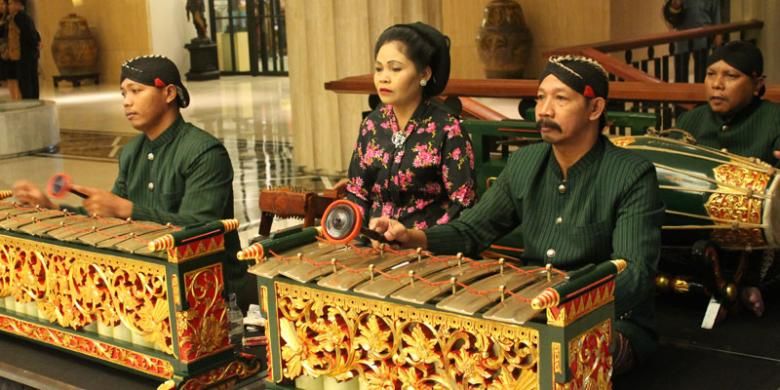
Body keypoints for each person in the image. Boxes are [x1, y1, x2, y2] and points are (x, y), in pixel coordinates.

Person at [369, 55, 664, 374]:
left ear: (594, 109)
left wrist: (568, 301)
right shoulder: (525, 162)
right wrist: (412, 237)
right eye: (540, 98)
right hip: (529, 311)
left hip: (608, 320)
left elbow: (635, 272)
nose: (544, 110)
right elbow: (472, 231)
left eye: (561, 98)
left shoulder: (632, 174)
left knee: (549, 361)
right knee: (439, 345)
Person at [11, 55, 249, 301]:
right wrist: (53, 209)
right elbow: (109, 221)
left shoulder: (204, 152)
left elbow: (201, 230)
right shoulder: (132, 152)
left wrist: (127, 209)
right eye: (123, 94)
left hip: (208, 290)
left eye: (136, 91)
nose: (127, 102)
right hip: (147, 284)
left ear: (168, 94)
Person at [676, 40, 780, 317]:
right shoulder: (692, 121)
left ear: (758, 83)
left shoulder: (774, 118)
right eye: (711, 74)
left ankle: (751, 284)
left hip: (756, 237)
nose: (717, 84)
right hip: (696, 230)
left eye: (731, 76)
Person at [346, 22, 476, 231]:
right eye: (379, 68)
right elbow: (356, 192)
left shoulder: (448, 129)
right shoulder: (371, 125)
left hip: (426, 249)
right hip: (373, 244)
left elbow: (463, 203)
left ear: (424, 74)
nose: (383, 77)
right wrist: (360, 231)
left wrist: (418, 238)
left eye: (395, 68)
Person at [663, 0, 721, 82]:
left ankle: (700, 92)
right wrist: (675, 6)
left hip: (703, 36)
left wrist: (718, 41)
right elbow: (668, 13)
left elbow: (716, 16)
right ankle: (681, 92)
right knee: (681, 72)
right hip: (682, 36)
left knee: (701, 71)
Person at [6, 0, 39, 99]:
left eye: (11, 3)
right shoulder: (26, 16)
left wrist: (34, 44)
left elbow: (28, 34)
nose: (9, 6)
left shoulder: (19, 17)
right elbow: (35, 34)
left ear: (18, 4)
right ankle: (34, 100)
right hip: (30, 53)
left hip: (24, 54)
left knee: (26, 81)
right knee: (32, 79)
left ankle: (29, 102)